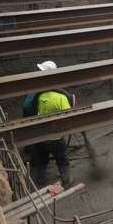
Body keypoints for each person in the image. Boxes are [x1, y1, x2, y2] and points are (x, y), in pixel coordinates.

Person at [30, 61, 76, 189]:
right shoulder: (61, 98)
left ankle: (41, 179)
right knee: (62, 158)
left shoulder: (40, 96)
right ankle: (67, 180)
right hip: (55, 137)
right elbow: (69, 116)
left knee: (42, 158)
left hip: (41, 135)